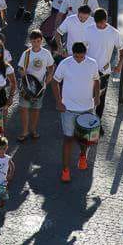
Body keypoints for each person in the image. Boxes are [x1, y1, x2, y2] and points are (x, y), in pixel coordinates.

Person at [52, 42, 100, 183]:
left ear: (85, 54)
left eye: (81, 56)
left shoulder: (92, 63)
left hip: (87, 108)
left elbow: (96, 80)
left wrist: (97, 96)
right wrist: (59, 101)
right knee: (68, 139)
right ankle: (66, 170)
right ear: (72, 53)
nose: (79, 59)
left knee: (85, 138)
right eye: (76, 56)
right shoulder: (65, 63)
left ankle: (83, 156)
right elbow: (55, 81)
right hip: (68, 109)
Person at [86, 8, 123, 133]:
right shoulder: (88, 30)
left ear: (106, 20)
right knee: (88, 96)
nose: (99, 25)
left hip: (104, 71)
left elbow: (122, 50)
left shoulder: (113, 33)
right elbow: (82, 47)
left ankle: (97, 122)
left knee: (100, 98)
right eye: (97, 23)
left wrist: (119, 64)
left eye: (101, 23)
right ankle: (87, 121)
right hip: (89, 70)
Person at [17, 30, 54, 141]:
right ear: (30, 41)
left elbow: (51, 66)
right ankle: (24, 131)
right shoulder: (26, 54)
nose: (36, 43)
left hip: (40, 87)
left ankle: (33, 129)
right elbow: (20, 68)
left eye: (38, 41)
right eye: (34, 41)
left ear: (41, 41)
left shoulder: (46, 53)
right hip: (27, 86)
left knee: (36, 109)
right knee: (24, 108)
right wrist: (22, 72)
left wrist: (50, 75)